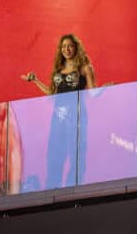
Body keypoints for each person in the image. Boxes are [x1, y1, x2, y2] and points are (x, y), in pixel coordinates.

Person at [21, 34, 100, 188]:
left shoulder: (85, 68)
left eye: (69, 46)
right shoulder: (59, 69)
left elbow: (92, 92)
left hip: (76, 117)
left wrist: (105, 89)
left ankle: (73, 188)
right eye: (63, 47)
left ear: (76, 47)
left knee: (76, 154)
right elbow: (52, 93)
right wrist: (35, 80)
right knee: (54, 154)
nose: (66, 49)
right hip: (57, 119)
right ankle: (52, 188)